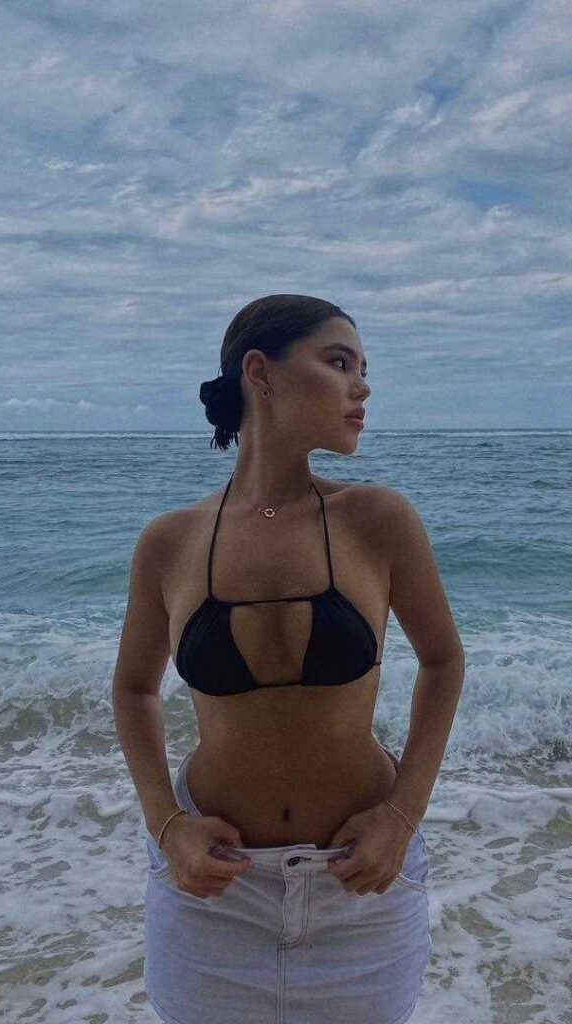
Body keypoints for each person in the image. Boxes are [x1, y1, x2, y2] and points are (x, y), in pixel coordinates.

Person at [112, 294, 465, 1024]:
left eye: (363, 369)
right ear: (259, 373)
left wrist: (401, 817)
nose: (361, 387)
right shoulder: (170, 543)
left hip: (360, 881)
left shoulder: (378, 520)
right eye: (339, 363)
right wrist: (167, 826)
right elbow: (134, 690)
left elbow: (442, 663)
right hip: (213, 890)